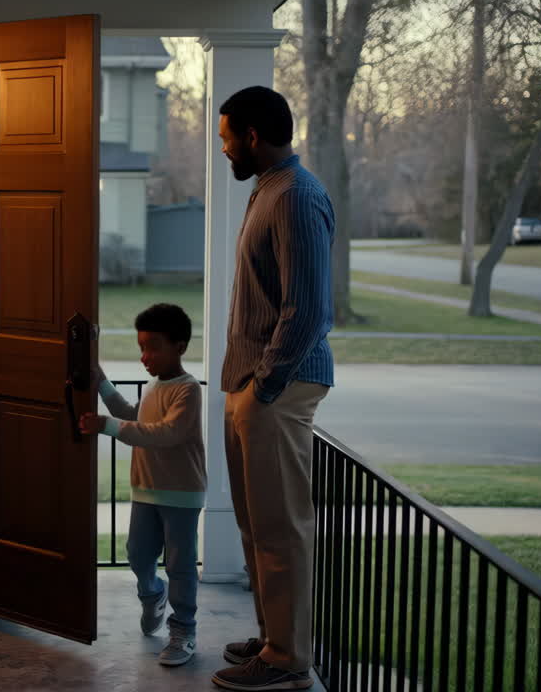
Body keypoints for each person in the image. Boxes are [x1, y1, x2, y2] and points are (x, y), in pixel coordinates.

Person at [210, 85, 335, 691]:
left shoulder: (295, 197)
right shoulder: (268, 191)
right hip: (255, 387)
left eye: (227, 137)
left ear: (252, 137)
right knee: (257, 527)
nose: (224, 148)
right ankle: (271, 641)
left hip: (277, 390)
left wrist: (264, 384)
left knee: (282, 529)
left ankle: (288, 659)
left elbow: (308, 308)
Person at [79, 303, 205, 667]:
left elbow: (167, 433)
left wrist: (107, 427)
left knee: (180, 565)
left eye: (153, 347)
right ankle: (153, 596)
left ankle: (183, 629)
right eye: (141, 348)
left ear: (179, 347)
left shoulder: (188, 390)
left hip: (181, 493)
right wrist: (101, 383)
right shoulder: (153, 386)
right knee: (137, 553)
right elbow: (135, 417)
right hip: (146, 490)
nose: (144, 357)